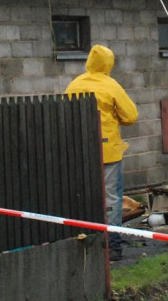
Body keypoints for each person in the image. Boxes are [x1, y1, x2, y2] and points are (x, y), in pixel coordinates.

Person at [65, 44, 138, 261]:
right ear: (109, 63)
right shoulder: (111, 85)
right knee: (111, 199)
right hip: (109, 152)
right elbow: (131, 116)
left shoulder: (74, 85)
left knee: (84, 196)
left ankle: (85, 241)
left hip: (81, 152)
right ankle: (112, 246)